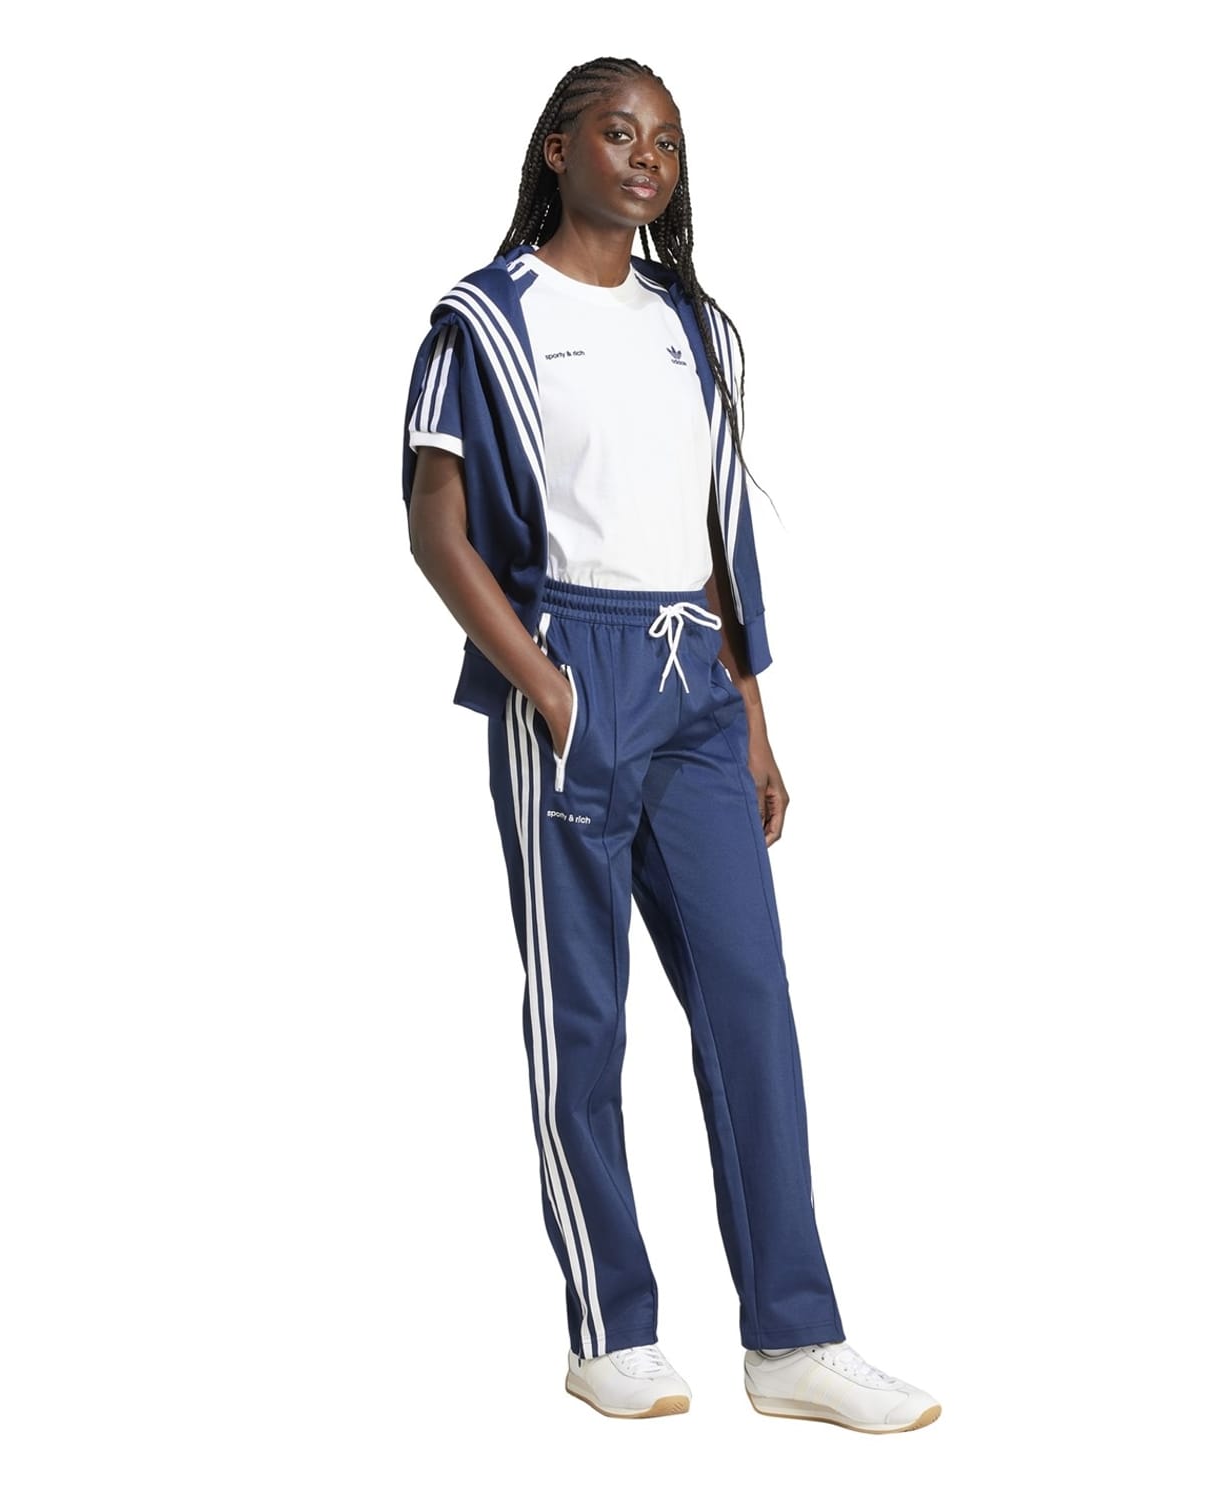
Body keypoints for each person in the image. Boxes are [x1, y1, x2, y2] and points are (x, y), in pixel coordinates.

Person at [401, 56, 940, 1435]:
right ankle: (613, 1330)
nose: (647, 157)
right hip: (568, 668)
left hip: (694, 676)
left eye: (668, 142)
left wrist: (750, 713)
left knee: (750, 1002)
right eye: (619, 132)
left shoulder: (687, 324)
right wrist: (546, 688)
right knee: (584, 1017)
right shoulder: (486, 319)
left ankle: (794, 1338)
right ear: (558, 148)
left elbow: (717, 535)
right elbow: (436, 529)